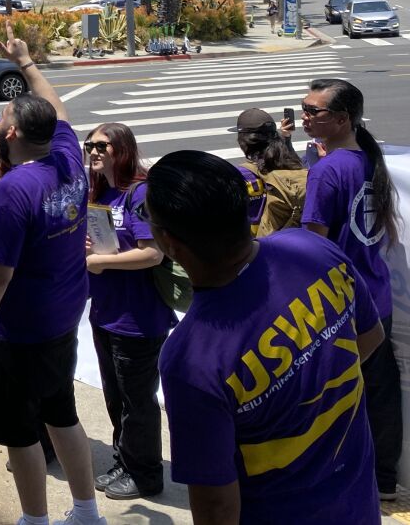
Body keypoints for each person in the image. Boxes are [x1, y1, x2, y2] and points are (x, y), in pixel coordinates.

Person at [147, 150, 384, 524]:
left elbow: (216, 507)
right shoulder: (311, 249)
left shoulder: (190, 359)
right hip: (357, 504)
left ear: (169, 243)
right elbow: (370, 338)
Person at [0, 24, 104, 525]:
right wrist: (25, 60)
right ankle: (85, 512)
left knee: (20, 434)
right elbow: (57, 107)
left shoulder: (12, 192)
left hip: (18, 334)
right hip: (62, 320)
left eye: (5, 115)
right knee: (63, 414)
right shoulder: (67, 159)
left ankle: (35, 519)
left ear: (9, 133)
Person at [301, 78, 403, 501]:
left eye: (312, 111)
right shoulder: (367, 159)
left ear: (341, 120)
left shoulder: (327, 171)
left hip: (338, 305)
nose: (303, 117)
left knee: (332, 396)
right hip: (375, 297)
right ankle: (383, 480)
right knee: (380, 391)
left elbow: (312, 246)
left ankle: (339, 475)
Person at [82, 123, 175, 500]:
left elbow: (153, 253)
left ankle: (146, 474)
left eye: (102, 145)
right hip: (106, 311)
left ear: (122, 149)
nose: (94, 151)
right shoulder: (101, 190)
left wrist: (104, 262)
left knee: (137, 401)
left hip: (137, 318)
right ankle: (125, 458)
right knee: (115, 396)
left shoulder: (140, 193)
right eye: (90, 144)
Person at [229, 108, 307, 236]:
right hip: (290, 240)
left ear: (243, 142)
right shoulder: (292, 165)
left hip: (255, 246)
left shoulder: (238, 176)